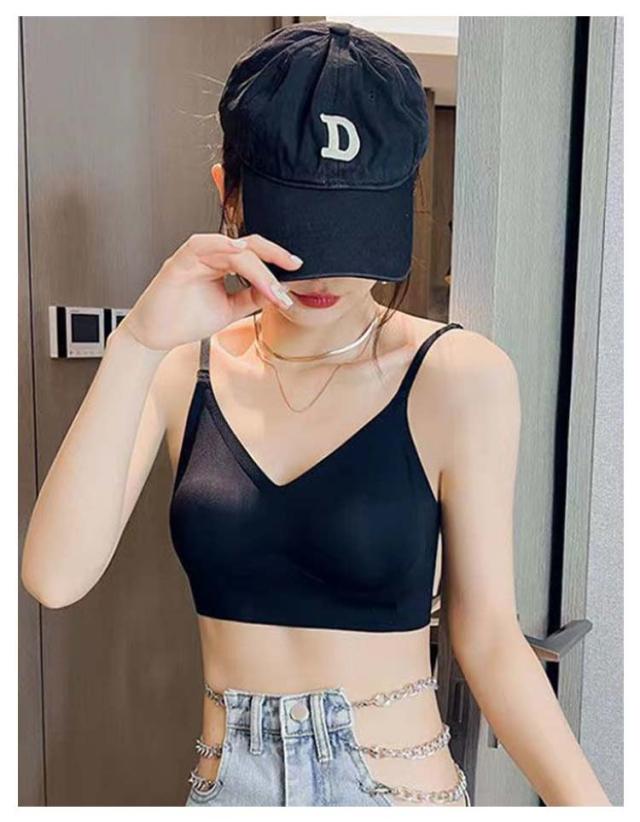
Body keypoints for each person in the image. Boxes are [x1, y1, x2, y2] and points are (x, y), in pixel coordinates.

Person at [21, 21, 610, 807]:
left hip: (399, 795)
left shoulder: (458, 377)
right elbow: (54, 578)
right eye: (302, 230)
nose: (325, 272)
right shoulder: (179, 368)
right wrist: (135, 343)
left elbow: (491, 640)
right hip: (227, 794)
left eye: (355, 231)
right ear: (229, 192)